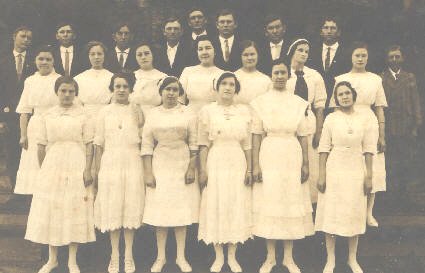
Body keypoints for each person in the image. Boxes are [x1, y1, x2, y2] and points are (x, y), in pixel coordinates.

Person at [25, 76, 95, 273]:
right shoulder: (47, 115)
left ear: (75, 93)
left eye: (71, 91)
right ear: (57, 92)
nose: (67, 95)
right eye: (63, 91)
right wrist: (44, 170)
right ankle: (52, 259)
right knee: (53, 208)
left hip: (76, 161)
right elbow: (41, 146)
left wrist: (87, 169)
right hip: (53, 163)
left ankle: (72, 260)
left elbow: (89, 145)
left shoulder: (84, 115)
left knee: (74, 207)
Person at [251, 60, 312, 273]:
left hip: (291, 154)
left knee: (289, 202)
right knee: (271, 202)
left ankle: (288, 257)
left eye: (283, 73)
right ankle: (270, 258)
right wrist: (255, 165)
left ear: (289, 76)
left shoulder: (298, 102)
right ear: (271, 75)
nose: (279, 76)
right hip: (269, 154)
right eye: (276, 72)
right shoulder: (260, 102)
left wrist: (306, 163)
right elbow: (256, 135)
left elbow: (303, 136)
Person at [316, 81, 375, 273]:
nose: (344, 97)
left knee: (354, 211)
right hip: (335, 167)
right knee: (332, 212)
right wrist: (322, 174)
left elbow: (368, 149)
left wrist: (369, 176)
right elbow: (324, 148)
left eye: (347, 93)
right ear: (336, 98)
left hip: (356, 167)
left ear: (353, 95)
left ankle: (352, 258)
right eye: (340, 94)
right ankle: (330, 259)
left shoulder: (364, 119)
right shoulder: (331, 119)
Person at [141, 76, 199, 273]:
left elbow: (194, 143)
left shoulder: (188, 113)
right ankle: (161, 257)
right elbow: (147, 144)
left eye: (175, 89)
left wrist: (191, 168)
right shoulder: (153, 114)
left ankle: (181, 257)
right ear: (161, 92)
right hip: (160, 163)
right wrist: (148, 172)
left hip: (182, 163)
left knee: (180, 212)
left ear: (179, 92)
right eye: (168, 89)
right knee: (162, 212)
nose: (171, 93)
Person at [198, 72, 252, 273]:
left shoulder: (244, 111)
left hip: (237, 160)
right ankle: (219, 256)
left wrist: (250, 168)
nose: (228, 88)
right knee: (217, 203)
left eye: (232, 84)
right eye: (224, 84)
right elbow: (203, 143)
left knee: (234, 203)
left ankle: (233, 256)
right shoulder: (207, 111)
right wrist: (203, 170)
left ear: (236, 89)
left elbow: (247, 144)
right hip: (216, 159)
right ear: (217, 87)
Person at [332, 41, 387, 227]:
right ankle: (350, 210)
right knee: (350, 168)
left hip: (369, 122)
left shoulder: (375, 79)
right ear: (351, 57)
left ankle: (368, 212)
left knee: (373, 168)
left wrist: (382, 135)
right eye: (357, 55)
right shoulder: (341, 79)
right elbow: (335, 109)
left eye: (364, 55)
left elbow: (380, 108)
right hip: (347, 123)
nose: (361, 59)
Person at [94, 72, 144, 273]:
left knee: (130, 206)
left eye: (125, 86)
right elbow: (98, 143)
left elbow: (144, 138)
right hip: (111, 161)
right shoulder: (104, 112)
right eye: (117, 86)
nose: (121, 90)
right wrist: (97, 170)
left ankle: (129, 255)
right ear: (112, 89)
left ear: (131, 89)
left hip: (132, 161)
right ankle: (114, 255)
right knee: (113, 206)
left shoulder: (137, 111)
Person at [14, 45, 61, 195]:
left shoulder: (59, 79)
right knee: (33, 160)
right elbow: (24, 111)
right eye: (41, 59)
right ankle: (35, 197)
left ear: (54, 61)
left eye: (48, 59)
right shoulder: (30, 80)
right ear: (35, 60)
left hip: (54, 123)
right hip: (35, 125)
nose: (44, 62)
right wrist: (23, 135)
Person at [286, 38, 327, 204]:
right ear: (292, 52)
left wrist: (319, 131)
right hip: (288, 123)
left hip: (308, 122)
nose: (303, 54)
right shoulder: (284, 74)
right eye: (300, 50)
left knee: (311, 164)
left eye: (306, 51)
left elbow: (319, 106)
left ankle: (312, 205)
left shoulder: (314, 76)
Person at [381, 45, 422, 208]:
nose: (394, 60)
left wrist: (416, 124)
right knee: (390, 163)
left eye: (397, 56)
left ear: (402, 58)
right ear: (387, 59)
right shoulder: (382, 77)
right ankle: (391, 198)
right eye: (391, 57)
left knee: (406, 162)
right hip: (390, 128)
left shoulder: (409, 77)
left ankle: (405, 198)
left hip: (406, 128)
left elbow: (416, 102)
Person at [0, 25, 34, 190]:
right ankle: (15, 193)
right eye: (23, 36)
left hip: (30, 116)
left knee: (29, 155)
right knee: (12, 154)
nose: (26, 40)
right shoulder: (3, 61)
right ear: (14, 37)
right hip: (8, 117)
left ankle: (27, 193)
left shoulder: (35, 61)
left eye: (29, 38)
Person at [310, 16, 350, 112]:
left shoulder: (346, 53)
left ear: (339, 32)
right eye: (326, 28)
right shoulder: (312, 52)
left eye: (333, 28)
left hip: (338, 103)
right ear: (321, 32)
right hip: (316, 103)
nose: (329, 31)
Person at [74, 41, 114, 136]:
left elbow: (113, 101)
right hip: (85, 117)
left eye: (99, 54)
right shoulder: (79, 78)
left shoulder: (112, 77)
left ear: (104, 56)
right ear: (88, 56)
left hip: (106, 117)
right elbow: (77, 102)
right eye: (92, 54)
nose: (96, 57)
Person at [179, 36, 224, 113]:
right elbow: (179, 100)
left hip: (212, 117)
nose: (204, 52)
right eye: (200, 49)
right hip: (190, 116)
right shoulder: (188, 71)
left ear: (215, 51)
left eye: (208, 48)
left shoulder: (222, 74)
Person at [129, 41, 167, 115]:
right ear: (135, 58)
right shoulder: (131, 77)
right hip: (132, 116)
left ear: (153, 55)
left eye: (146, 53)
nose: (143, 57)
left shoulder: (162, 77)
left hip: (155, 117)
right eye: (139, 55)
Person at [234, 40, 271, 105]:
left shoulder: (265, 80)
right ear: (240, 57)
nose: (249, 58)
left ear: (258, 55)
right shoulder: (233, 77)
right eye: (245, 55)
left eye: (252, 54)